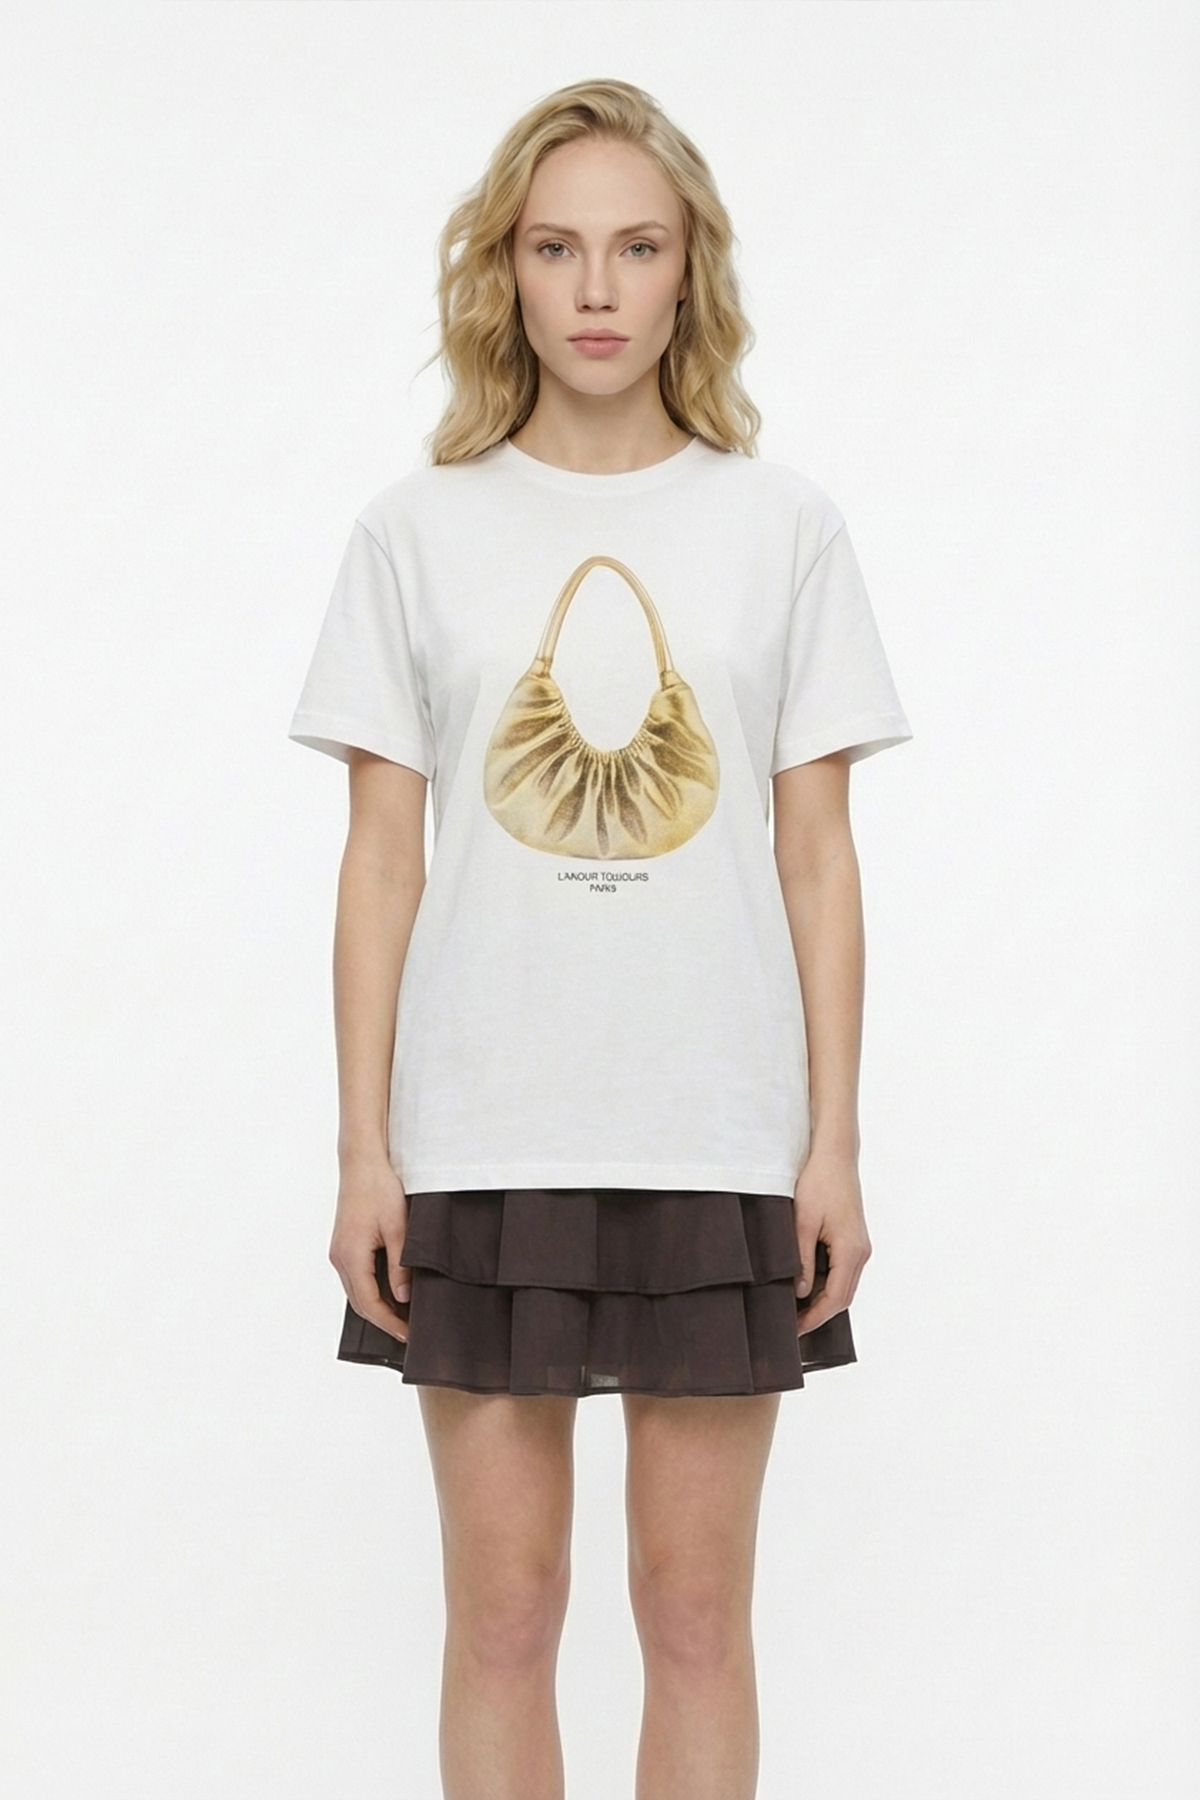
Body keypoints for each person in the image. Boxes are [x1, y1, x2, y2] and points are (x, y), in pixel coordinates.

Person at [288, 76, 911, 1800]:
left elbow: (817, 857)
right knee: (505, 1613)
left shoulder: (784, 528)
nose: (596, 289)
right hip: (482, 1136)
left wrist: (833, 1147)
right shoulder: (415, 532)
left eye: (638, 247)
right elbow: (382, 864)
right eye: (556, 247)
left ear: (691, 269)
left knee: (695, 1616)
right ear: (503, 268)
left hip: (718, 1137)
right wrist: (364, 1152)